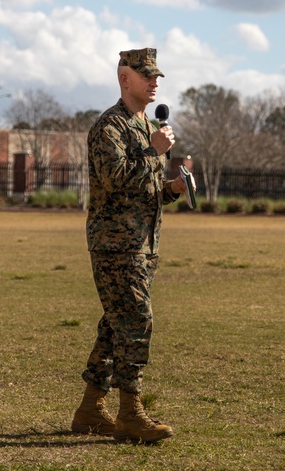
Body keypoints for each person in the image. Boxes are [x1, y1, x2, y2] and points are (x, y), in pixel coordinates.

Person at [71, 47, 192, 443]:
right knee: (136, 321)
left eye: (157, 76)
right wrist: (153, 152)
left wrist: (172, 188)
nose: (155, 81)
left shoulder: (143, 125)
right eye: (147, 76)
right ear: (125, 79)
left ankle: (90, 410)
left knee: (115, 326)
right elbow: (115, 179)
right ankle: (131, 413)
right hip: (115, 246)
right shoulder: (110, 127)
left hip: (142, 245)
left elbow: (144, 189)